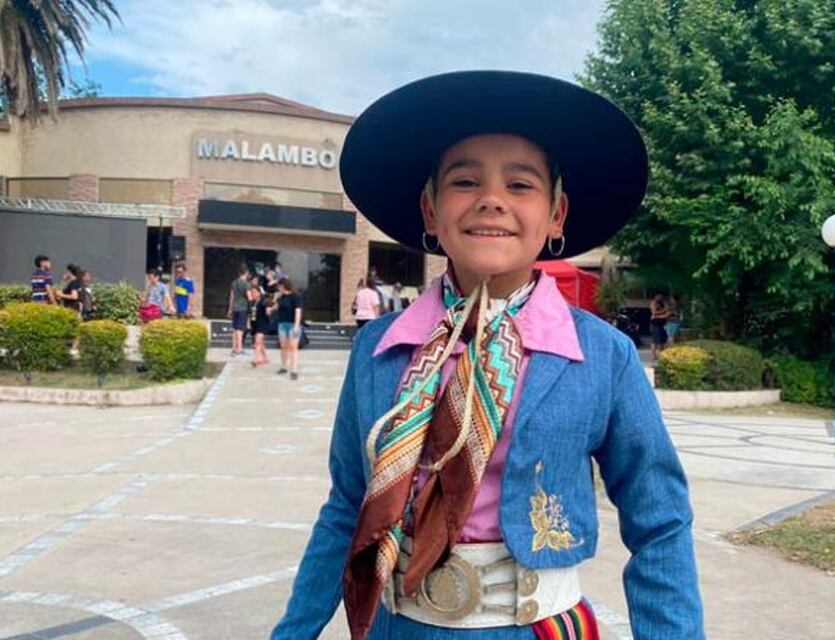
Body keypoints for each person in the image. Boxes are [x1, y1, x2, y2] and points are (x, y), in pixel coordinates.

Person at [273, 71, 703, 640]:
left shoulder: (603, 357)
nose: (492, 200)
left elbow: (661, 522)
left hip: (538, 627)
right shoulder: (379, 350)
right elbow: (348, 504)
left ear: (556, 216)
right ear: (430, 211)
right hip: (399, 627)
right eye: (465, 181)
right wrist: (294, 630)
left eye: (521, 185)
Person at [272, 278, 303, 380]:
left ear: (283, 286)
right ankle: (284, 366)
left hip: (292, 324)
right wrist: (274, 301)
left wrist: (296, 325)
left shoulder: (295, 297)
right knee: (283, 346)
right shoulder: (281, 297)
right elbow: (275, 307)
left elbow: (298, 311)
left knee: (293, 347)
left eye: (279, 286)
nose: (278, 288)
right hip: (282, 324)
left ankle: (294, 370)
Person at [248, 276, 271, 368]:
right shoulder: (252, 303)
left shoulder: (263, 302)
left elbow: (268, 309)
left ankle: (255, 359)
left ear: (259, 293)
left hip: (263, 324)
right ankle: (265, 358)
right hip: (255, 324)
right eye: (251, 292)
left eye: (254, 292)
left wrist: (269, 310)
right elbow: (250, 314)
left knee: (257, 342)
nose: (252, 294)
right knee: (261, 342)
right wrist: (249, 323)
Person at [227, 267, 250, 356]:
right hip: (243, 308)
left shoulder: (234, 283)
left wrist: (230, 309)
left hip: (235, 308)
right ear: (246, 273)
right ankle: (239, 348)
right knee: (240, 329)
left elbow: (231, 297)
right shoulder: (246, 284)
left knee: (235, 328)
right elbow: (249, 297)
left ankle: (233, 348)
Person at [649, 293, 671, 361]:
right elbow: (654, 312)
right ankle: (653, 355)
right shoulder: (653, 303)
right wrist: (664, 311)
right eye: (659, 296)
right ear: (655, 296)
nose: (660, 297)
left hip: (661, 324)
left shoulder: (662, 303)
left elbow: (667, 313)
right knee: (655, 341)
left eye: (661, 296)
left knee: (662, 341)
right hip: (655, 324)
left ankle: (660, 355)